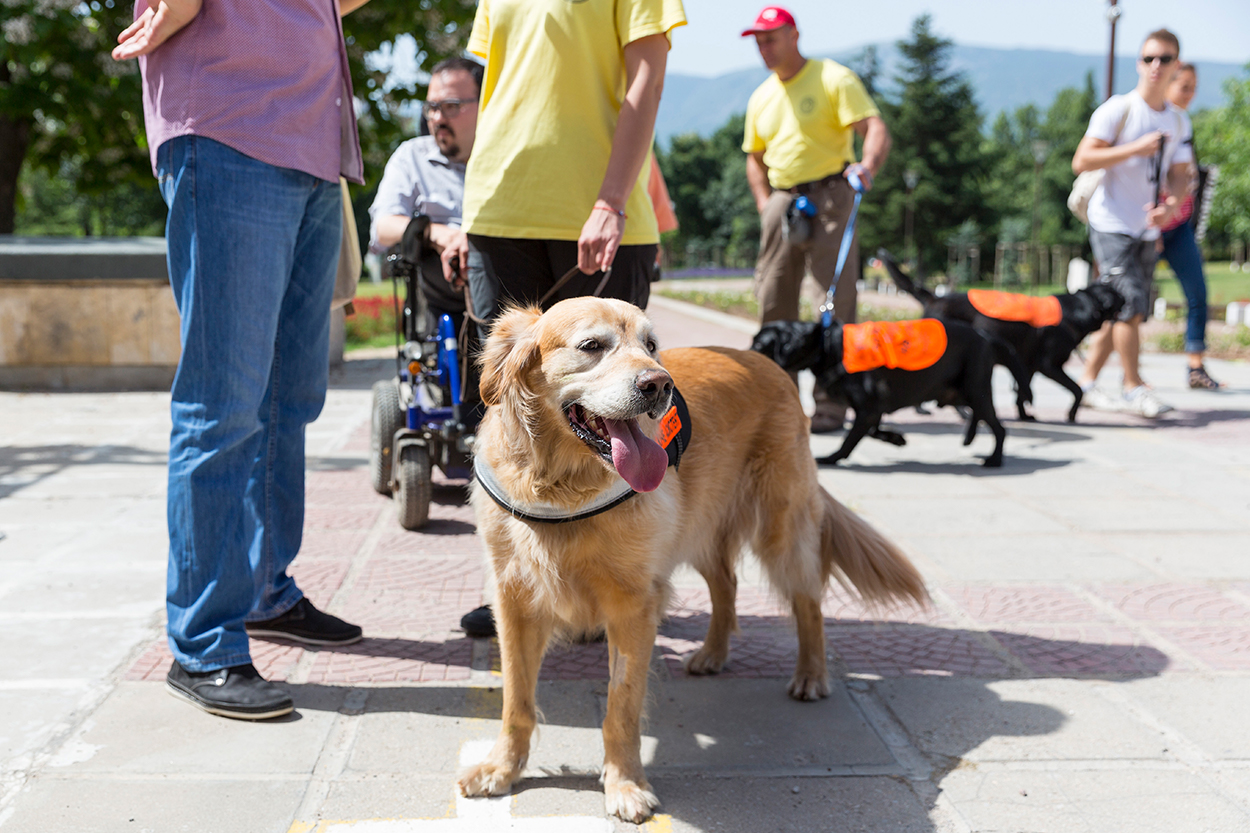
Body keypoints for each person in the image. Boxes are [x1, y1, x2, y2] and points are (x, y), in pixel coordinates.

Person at [112, 0, 370, 720]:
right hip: (232, 125)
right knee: (222, 404)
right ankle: (203, 642)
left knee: (288, 399)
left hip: (313, 142)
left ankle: (262, 588)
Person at [441, 0, 687, 335]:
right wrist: (471, 218)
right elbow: (505, 85)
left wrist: (611, 202)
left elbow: (648, 82)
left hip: (596, 218)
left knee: (615, 382)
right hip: (495, 214)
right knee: (507, 383)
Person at [740, 6, 891, 433]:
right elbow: (754, 157)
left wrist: (868, 166)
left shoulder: (832, 78)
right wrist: (764, 203)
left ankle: (832, 402)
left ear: (794, 35)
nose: (763, 48)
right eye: (758, 41)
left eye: (770, 38)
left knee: (836, 300)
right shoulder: (761, 95)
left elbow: (874, 126)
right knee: (773, 297)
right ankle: (779, 402)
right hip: (783, 201)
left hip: (830, 197)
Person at [1073, 29, 1193, 418]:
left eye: (1165, 58)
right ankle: (1133, 386)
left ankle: (1086, 383)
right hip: (1110, 223)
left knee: (1117, 308)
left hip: (1146, 227)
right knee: (1131, 305)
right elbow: (1082, 160)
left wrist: (1171, 205)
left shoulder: (1178, 121)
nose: (1156, 66)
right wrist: (1135, 149)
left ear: (1176, 64)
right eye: (1149, 58)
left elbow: (1180, 173)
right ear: (1139, 63)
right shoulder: (1118, 110)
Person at [369, 57, 483, 338]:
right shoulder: (411, 157)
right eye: (432, 108)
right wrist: (439, 234)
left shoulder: (510, 158)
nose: (437, 118)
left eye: (451, 107)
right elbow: (382, 227)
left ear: (486, 105)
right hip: (439, 281)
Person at [1159, 62, 1224, 390]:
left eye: (1194, 87)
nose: (1191, 93)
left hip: (1179, 225)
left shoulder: (1183, 122)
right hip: (1152, 226)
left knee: (1198, 294)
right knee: (1128, 302)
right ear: (1167, 85)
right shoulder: (1159, 120)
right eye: (1184, 86)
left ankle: (1195, 367)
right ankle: (1094, 374)